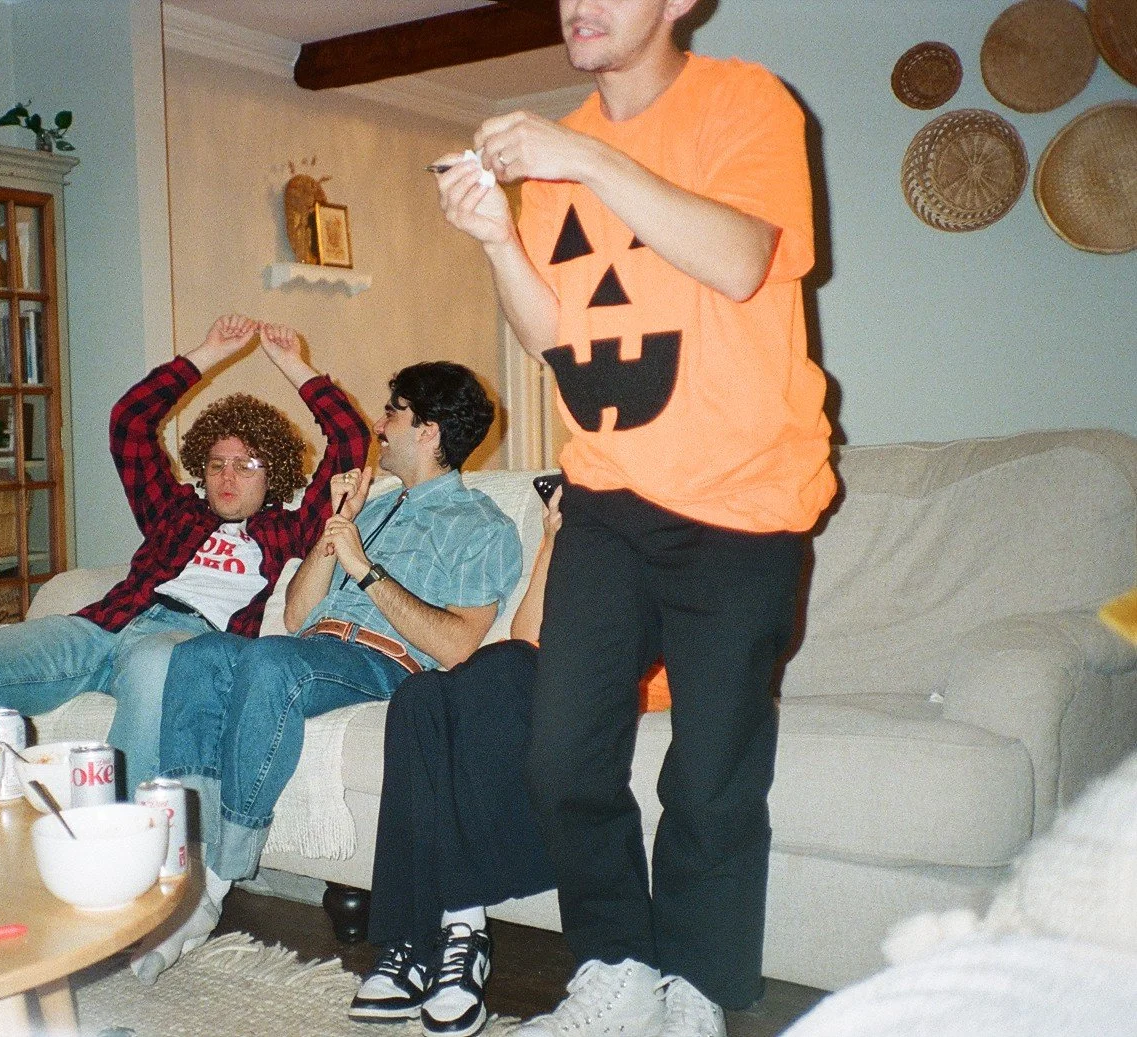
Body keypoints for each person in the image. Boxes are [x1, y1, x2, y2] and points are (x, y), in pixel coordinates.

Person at [434, 2, 836, 1035]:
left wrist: (584, 157)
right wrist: (495, 240)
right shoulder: (565, 153)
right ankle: (612, 966)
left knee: (710, 768)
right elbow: (558, 338)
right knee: (559, 752)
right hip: (607, 493)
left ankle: (693, 986)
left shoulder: (744, 103)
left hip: (741, 499)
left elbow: (742, 257)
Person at [139, 362, 522, 983]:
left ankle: (210, 886)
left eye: (394, 411)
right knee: (201, 655)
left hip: (383, 664)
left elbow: (456, 647)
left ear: (428, 431)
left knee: (270, 662)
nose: (380, 424)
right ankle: (185, 856)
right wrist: (336, 526)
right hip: (314, 648)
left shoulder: (480, 525)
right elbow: (295, 615)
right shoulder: (371, 509)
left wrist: (366, 570)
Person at [0, 316, 369, 796]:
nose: (227, 478)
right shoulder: (174, 509)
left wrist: (293, 364)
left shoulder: (288, 530)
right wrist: (207, 354)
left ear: (273, 473)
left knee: (152, 667)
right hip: (102, 625)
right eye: (216, 465)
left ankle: (118, 842)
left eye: (247, 466)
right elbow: (130, 421)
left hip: (184, 643)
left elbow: (350, 438)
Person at [350, 484, 669, 1037]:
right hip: (540, 674)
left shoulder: (668, 552)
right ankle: (424, 938)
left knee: (501, 665)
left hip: (616, 686)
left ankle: (457, 927)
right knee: (420, 695)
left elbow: (571, 652)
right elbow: (529, 635)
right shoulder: (587, 549)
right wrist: (552, 539)